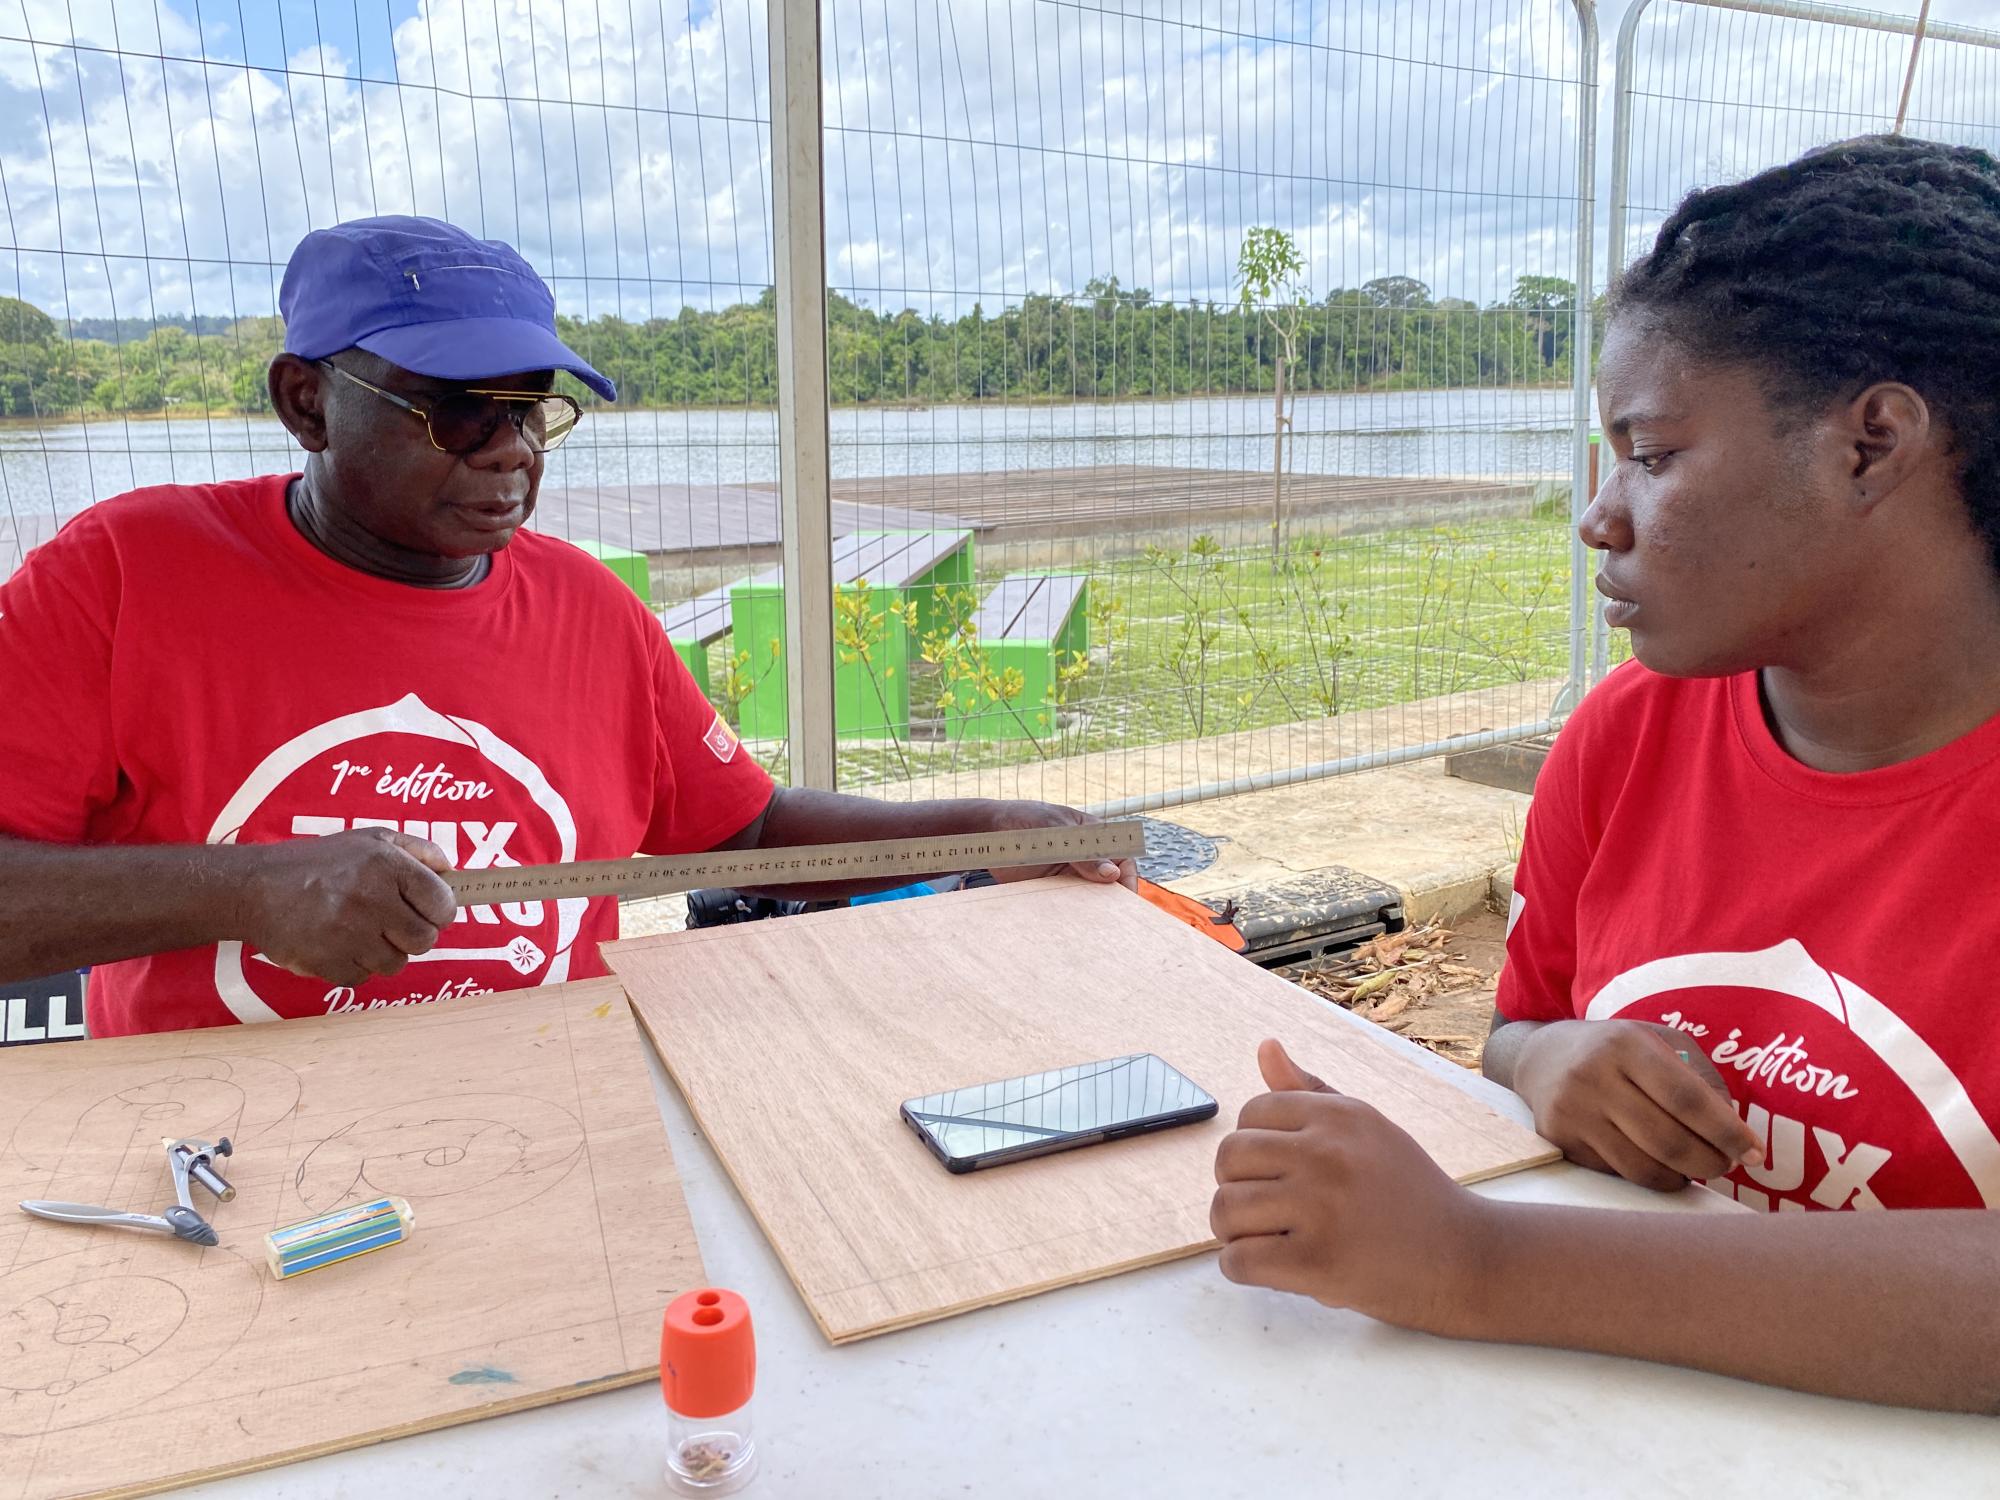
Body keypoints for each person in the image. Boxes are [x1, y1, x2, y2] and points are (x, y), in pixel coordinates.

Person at [1209, 136, 2000, 1413]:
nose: (1597, 514)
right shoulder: (1628, 734)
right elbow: (1515, 1026)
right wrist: (1549, 1061)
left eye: (1651, 452)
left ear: (1870, 443)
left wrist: (1479, 1261)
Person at [0, 215, 1130, 1037]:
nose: (511, 452)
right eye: (454, 412)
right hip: (216, 1140)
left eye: (533, 409)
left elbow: (737, 835)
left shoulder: (589, 610)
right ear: (306, 400)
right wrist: (244, 891)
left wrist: (981, 826)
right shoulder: (124, 576)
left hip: (548, 1105)